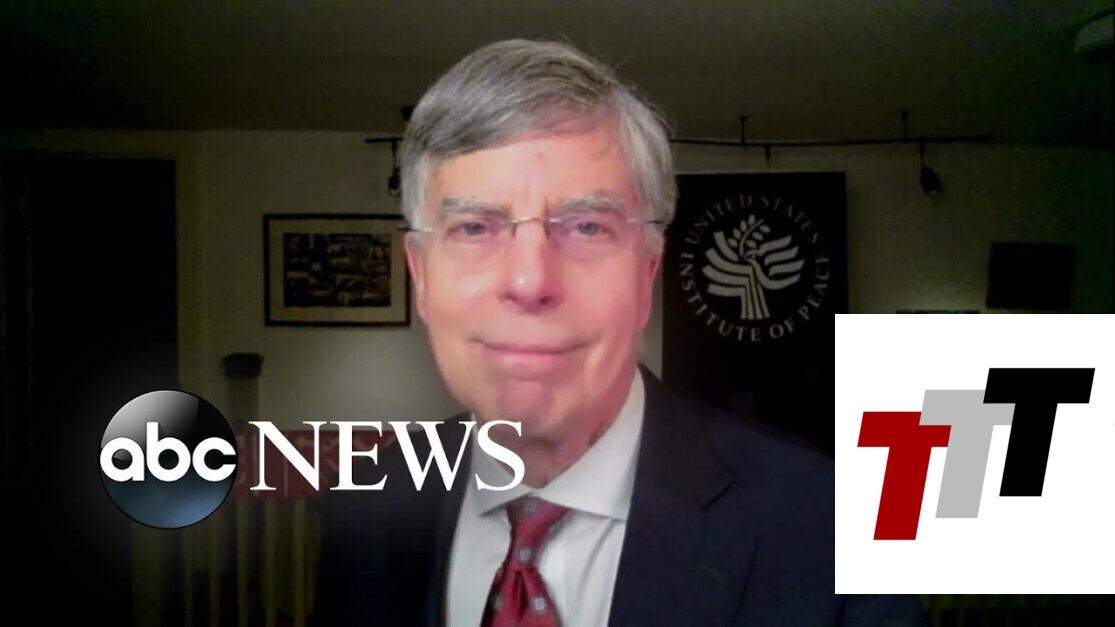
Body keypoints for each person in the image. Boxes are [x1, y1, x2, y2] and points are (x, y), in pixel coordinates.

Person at [313, 38, 928, 627]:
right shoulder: (368, 503)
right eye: (475, 227)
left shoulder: (831, 525)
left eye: (586, 227)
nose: (529, 281)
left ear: (648, 272)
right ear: (420, 275)